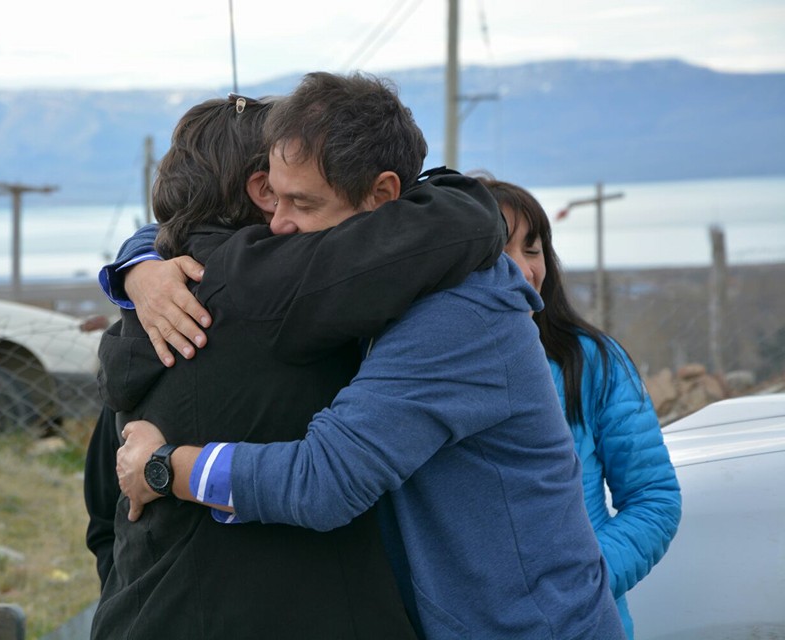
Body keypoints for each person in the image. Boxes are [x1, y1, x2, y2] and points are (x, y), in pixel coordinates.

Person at [116, 72, 627, 640]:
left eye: (302, 203)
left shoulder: (459, 315)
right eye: (272, 198)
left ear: (383, 197)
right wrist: (139, 267)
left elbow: (324, 481)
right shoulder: (378, 288)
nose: (278, 226)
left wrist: (166, 468)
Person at [478, 176, 682, 639]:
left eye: (532, 250)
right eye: (498, 251)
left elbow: (654, 500)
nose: (523, 271)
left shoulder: (590, 361)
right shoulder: (423, 367)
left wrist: (578, 587)